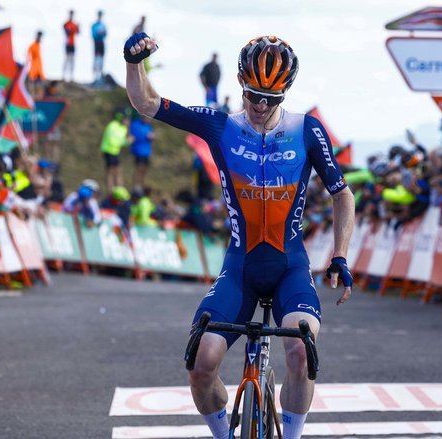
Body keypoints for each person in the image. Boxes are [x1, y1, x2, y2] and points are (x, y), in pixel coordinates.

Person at [124, 33, 355, 439]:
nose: (262, 105)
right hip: (240, 267)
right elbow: (147, 103)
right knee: (201, 362)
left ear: (285, 92)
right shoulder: (219, 125)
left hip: (290, 267)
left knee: (301, 351)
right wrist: (133, 63)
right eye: (253, 95)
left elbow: (343, 195)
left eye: (272, 97)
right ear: (238, 83)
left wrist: (340, 254)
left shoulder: (307, 129)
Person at [100, 109, 132, 193]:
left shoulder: (124, 129)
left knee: (118, 171)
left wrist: (127, 141)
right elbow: (112, 140)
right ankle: (110, 190)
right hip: (109, 151)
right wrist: (125, 142)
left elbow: (122, 142)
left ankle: (120, 190)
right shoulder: (112, 125)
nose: (128, 122)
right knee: (110, 171)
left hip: (116, 151)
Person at [129, 114, 155, 191]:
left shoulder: (149, 126)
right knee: (139, 169)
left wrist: (152, 137)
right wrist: (145, 136)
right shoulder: (135, 124)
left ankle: (142, 186)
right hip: (138, 151)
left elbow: (151, 136)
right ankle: (136, 187)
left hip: (146, 152)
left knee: (144, 170)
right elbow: (133, 136)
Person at [27, 31, 46, 99]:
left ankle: (38, 98)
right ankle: (33, 98)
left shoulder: (38, 45)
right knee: (33, 86)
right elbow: (28, 56)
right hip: (34, 70)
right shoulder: (33, 46)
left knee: (39, 86)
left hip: (38, 70)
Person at [63, 10, 80, 82]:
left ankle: (71, 76)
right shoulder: (66, 23)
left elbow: (78, 32)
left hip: (73, 44)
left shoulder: (74, 24)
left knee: (72, 60)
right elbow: (67, 31)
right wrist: (74, 29)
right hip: (67, 44)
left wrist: (77, 27)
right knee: (67, 59)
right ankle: (63, 76)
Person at [91, 10, 107, 83]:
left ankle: (100, 76)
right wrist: (99, 34)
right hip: (96, 43)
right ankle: (95, 76)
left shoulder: (103, 25)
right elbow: (94, 35)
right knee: (96, 60)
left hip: (102, 43)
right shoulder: (94, 25)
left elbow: (105, 34)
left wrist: (102, 34)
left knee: (101, 60)